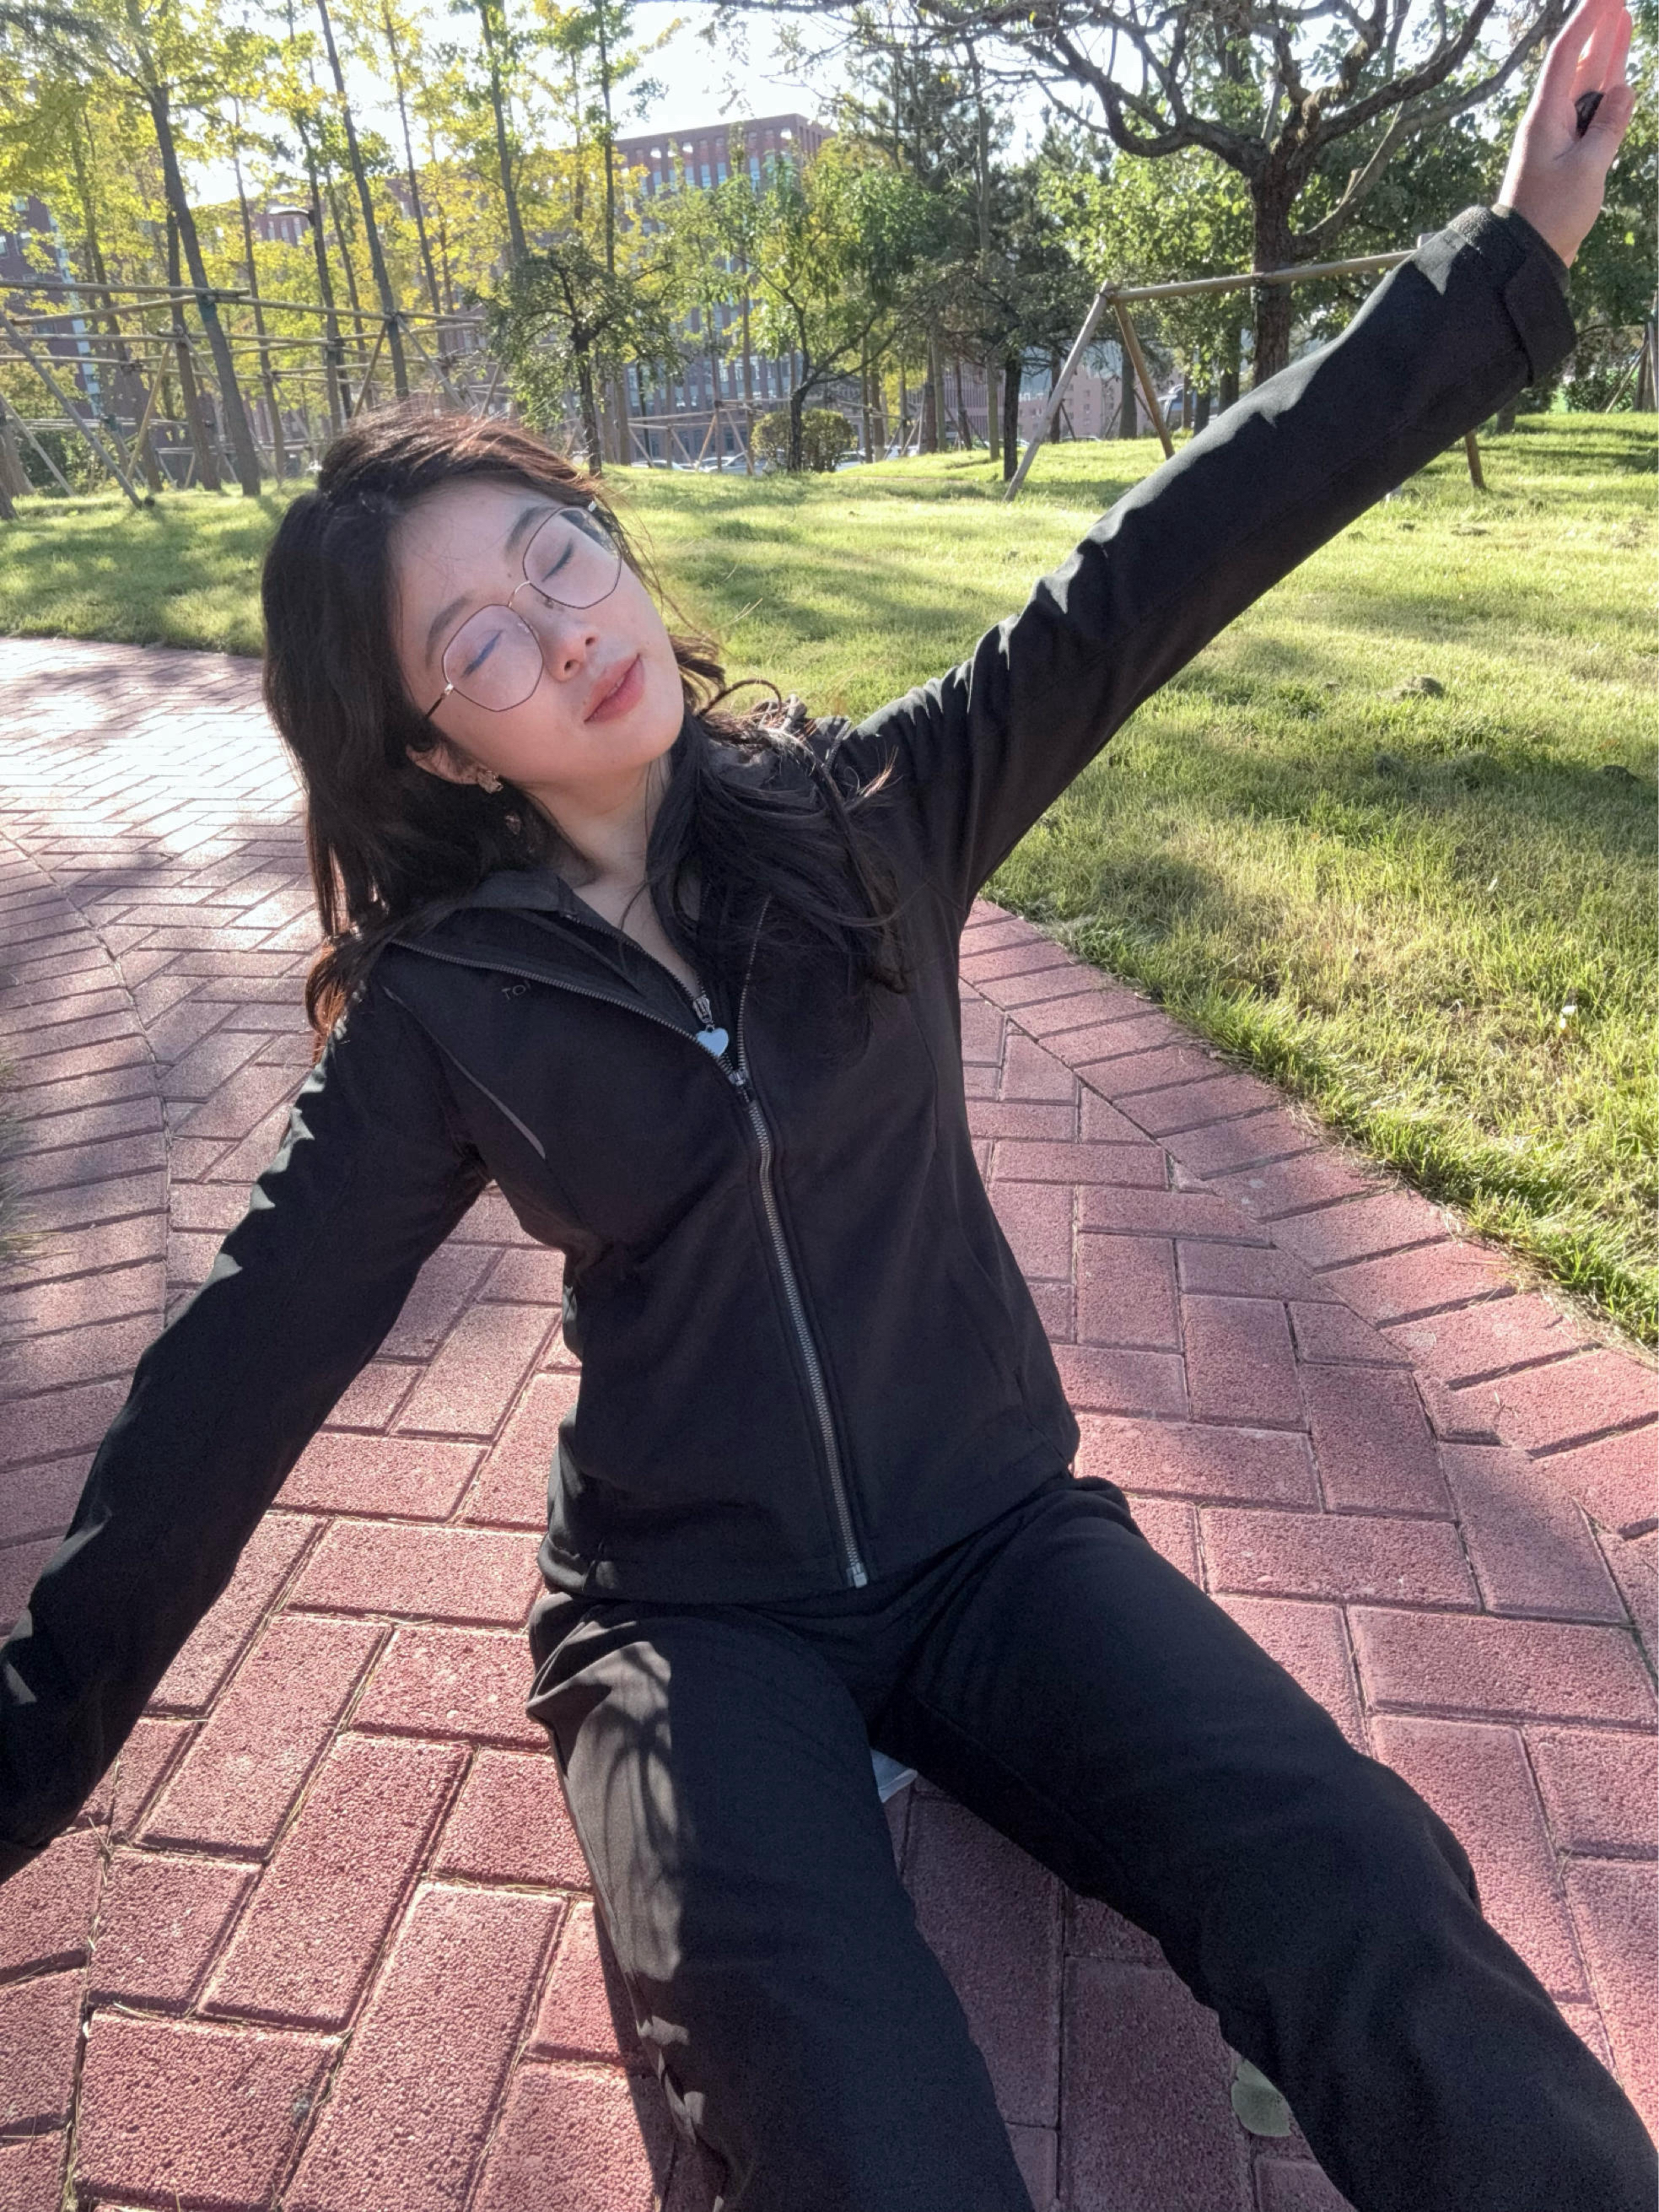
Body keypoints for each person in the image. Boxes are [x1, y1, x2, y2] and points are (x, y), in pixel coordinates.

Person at [1, 7, 1650, 2205]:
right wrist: (31, 1746)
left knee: (1363, 1882)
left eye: (554, 553)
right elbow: (238, 1366)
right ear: (434, 750)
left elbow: (1169, 550)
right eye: (471, 642)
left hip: (997, 1542)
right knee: (864, 2138)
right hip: (691, 1621)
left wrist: (1509, 257)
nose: (556, 631)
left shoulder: (875, 814)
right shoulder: (444, 1013)